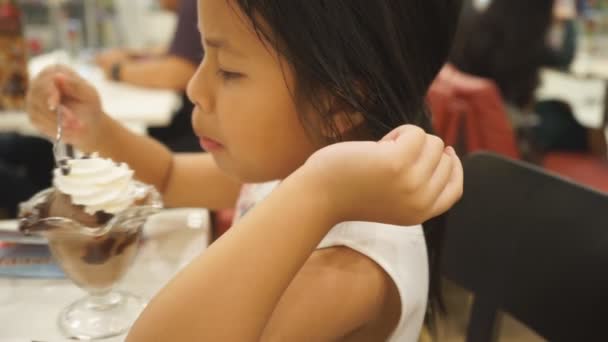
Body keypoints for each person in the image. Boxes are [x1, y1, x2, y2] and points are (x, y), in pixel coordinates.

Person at [26, 0, 463, 340]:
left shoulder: (354, 266)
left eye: (229, 71)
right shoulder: (293, 167)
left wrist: (320, 193)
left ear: (341, 103)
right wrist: (97, 128)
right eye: (202, 56)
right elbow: (170, 178)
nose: (196, 89)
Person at [450, 0, 607, 160]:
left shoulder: (482, 26)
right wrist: (568, 21)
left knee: (559, 108)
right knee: (586, 132)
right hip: (513, 123)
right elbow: (564, 58)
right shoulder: (529, 42)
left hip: (491, 118)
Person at [96, 0, 203, 152]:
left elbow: (178, 73)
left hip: (197, 135)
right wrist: (134, 55)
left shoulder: (193, 4)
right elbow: (186, 52)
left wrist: (116, 70)